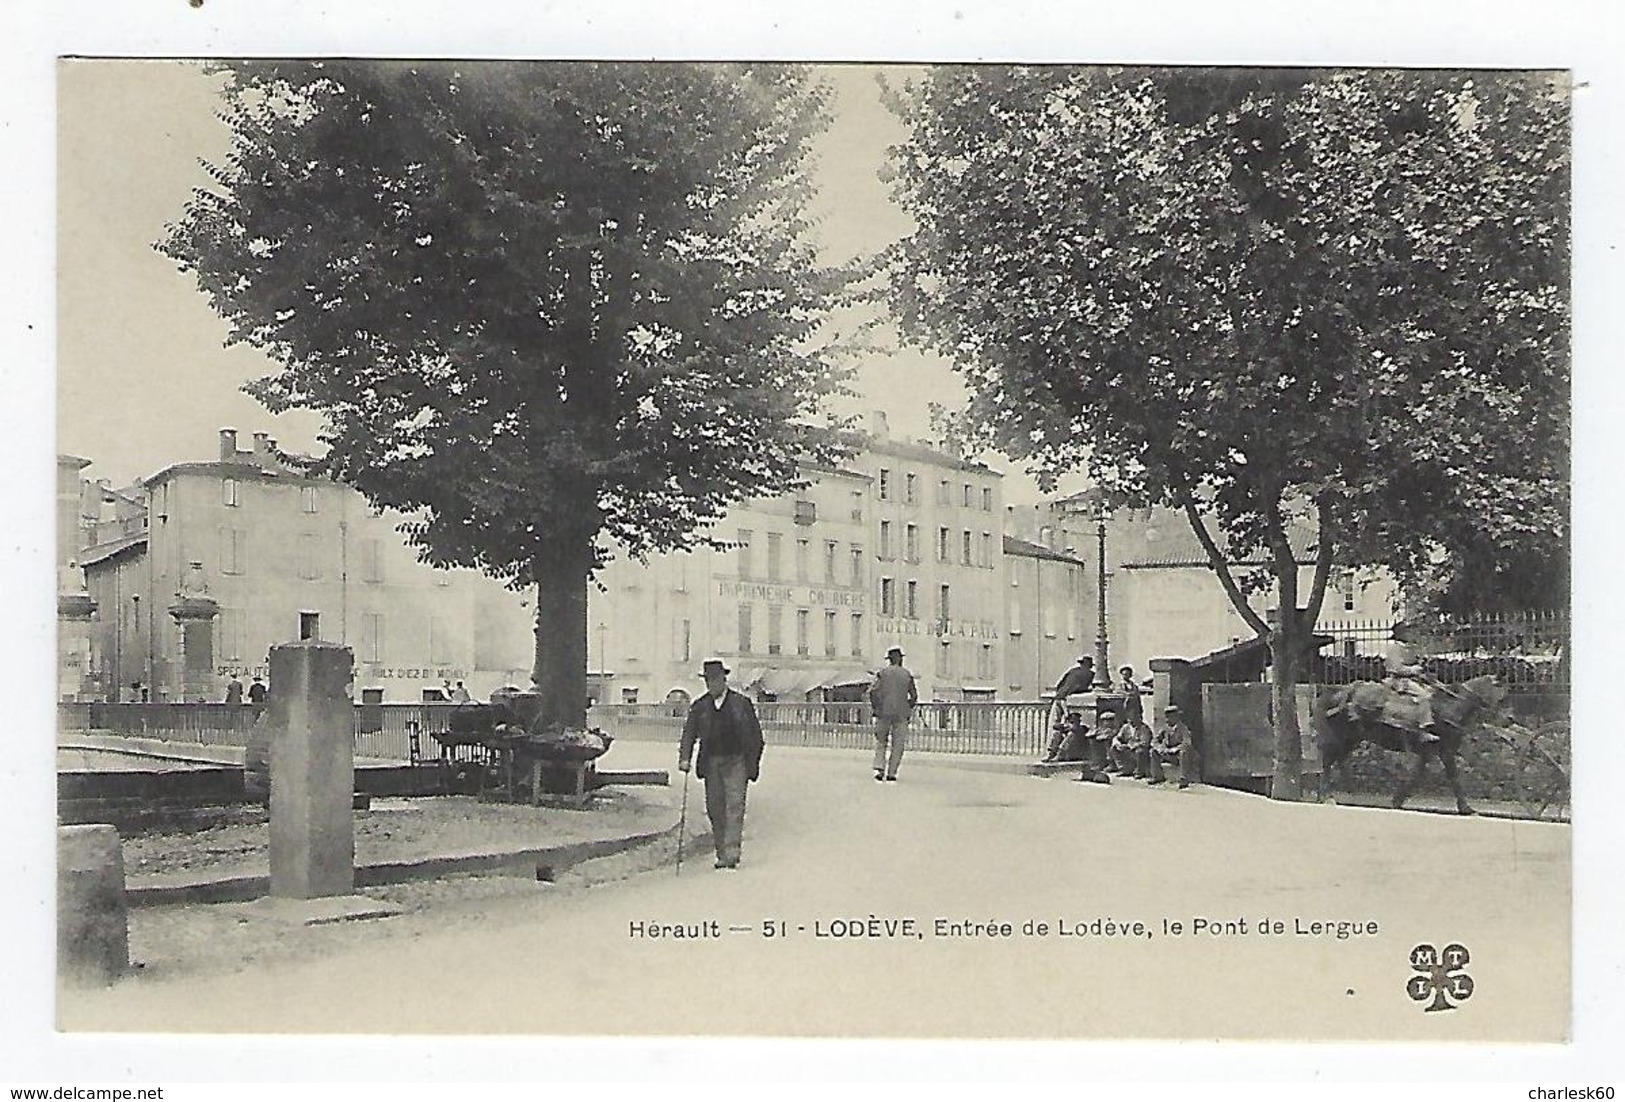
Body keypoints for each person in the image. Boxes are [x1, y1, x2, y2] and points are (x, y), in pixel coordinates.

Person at [679, 660, 765, 870]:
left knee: (735, 806)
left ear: (724, 680)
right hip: (712, 763)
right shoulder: (700, 707)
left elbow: (756, 737)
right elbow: (689, 733)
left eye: (715, 680)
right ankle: (721, 850)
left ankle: (731, 853)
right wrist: (685, 758)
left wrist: (751, 765)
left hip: (736, 761)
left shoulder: (741, 704)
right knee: (715, 808)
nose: (711, 685)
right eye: (708, 681)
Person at [869, 646, 919, 781]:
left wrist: (876, 708)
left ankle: (880, 768)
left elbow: (872, 692)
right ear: (900, 659)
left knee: (881, 741)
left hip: (883, 712)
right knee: (898, 744)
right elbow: (914, 695)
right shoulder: (907, 674)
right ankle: (892, 772)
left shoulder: (882, 673)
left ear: (889, 660)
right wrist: (908, 707)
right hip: (901, 714)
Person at [1385, 625, 1440, 743]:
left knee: (1435, 691)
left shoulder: (1408, 648)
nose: (1410, 634)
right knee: (1424, 695)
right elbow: (1396, 668)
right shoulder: (1394, 648)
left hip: (1412, 678)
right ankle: (1423, 729)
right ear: (1400, 634)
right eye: (1407, 632)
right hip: (1399, 680)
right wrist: (1413, 669)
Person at [1149, 704, 1198, 789]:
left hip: (1177, 755)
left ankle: (1183, 779)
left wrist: (1175, 749)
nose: (1167, 719)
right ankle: (1157, 776)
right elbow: (1154, 740)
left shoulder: (1183, 728)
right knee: (1153, 751)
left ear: (1176, 717)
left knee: (1184, 752)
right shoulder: (1165, 728)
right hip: (1167, 753)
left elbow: (1187, 742)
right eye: (1166, 717)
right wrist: (1160, 748)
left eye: (1170, 717)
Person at [1050, 655, 1096, 729]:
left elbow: (1060, 683)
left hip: (1059, 696)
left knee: (1055, 724)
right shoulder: (1091, 674)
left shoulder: (1073, 671)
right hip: (1068, 699)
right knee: (1068, 722)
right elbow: (1085, 688)